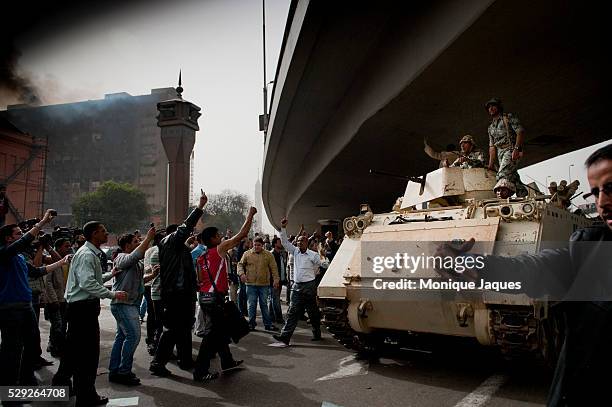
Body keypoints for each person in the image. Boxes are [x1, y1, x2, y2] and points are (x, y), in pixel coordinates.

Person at [435, 143, 612, 406]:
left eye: (610, 188)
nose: (601, 203)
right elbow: (532, 268)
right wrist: (468, 263)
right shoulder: (591, 250)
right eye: (595, 193)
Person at [52, 221, 127, 407]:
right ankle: (86, 396)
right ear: (94, 234)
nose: (106, 233)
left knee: (72, 352)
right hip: (83, 310)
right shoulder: (87, 255)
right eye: (103, 231)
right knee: (87, 356)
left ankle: (60, 387)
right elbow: (87, 284)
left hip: (79, 309)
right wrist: (112, 294)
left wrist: (110, 275)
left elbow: (89, 279)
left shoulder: (88, 253)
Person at [1, 210, 69, 391]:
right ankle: (9, 391)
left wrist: (61, 262)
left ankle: (25, 379)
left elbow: (37, 271)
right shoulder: (4, 254)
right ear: (8, 239)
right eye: (17, 233)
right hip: (9, 309)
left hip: (26, 307)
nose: (22, 236)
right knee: (12, 350)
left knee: (31, 346)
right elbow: (24, 242)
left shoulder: (19, 257)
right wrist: (43, 221)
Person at [193, 206, 257, 382]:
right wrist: (250, 215)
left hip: (204, 297)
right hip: (215, 299)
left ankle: (227, 361)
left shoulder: (201, 258)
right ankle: (200, 372)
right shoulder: (220, 249)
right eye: (218, 235)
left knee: (220, 332)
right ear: (213, 238)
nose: (221, 236)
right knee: (212, 335)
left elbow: (199, 280)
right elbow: (242, 234)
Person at [149, 192, 207, 377]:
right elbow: (185, 227)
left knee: (183, 329)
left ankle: (185, 359)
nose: (188, 234)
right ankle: (158, 363)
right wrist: (199, 208)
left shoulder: (180, 248)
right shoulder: (170, 241)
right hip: (174, 294)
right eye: (184, 233)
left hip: (184, 293)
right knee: (172, 330)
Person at [108, 227, 156, 386]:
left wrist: (153, 275)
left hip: (129, 304)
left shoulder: (135, 262)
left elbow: (140, 280)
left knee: (122, 337)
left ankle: (115, 370)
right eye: (136, 241)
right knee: (133, 337)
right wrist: (148, 238)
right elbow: (135, 256)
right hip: (123, 304)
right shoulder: (121, 257)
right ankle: (124, 371)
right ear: (127, 245)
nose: (140, 243)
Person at [273, 217, 329, 346]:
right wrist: (283, 228)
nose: (298, 243)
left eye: (301, 241)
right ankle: (285, 336)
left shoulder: (313, 255)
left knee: (313, 312)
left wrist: (324, 257)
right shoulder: (295, 251)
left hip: (309, 286)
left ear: (306, 243)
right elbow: (285, 242)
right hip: (296, 287)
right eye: (297, 241)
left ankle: (317, 333)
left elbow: (323, 264)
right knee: (292, 312)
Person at [485, 97, 528, 197]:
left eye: (493, 106)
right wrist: (491, 164)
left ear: (499, 107)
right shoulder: (490, 127)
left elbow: (520, 131)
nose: (491, 108)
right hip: (500, 153)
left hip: (511, 149)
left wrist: (516, 149)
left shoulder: (508, 117)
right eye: (489, 107)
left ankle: (503, 198)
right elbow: (492, 146)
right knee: (512, 176)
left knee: (502, 175)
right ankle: (522, 192)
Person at [237, 236, 279, 331]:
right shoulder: (247, 254)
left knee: (264, 304)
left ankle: (268, 324)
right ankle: (251, 324)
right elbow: (240, 264)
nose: (256, 247)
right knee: (251, 304)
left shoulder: (268, 255)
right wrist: (241, 274)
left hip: (264, 285)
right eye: (255, 245)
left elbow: (274, 268)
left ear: (262, 245)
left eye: (259, 245)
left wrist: (276, 280)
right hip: (250, 284)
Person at [143, 231, 164, 355]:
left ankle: (151, 339)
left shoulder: (149, 250)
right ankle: (155, 341)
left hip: (148, 284)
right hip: (155, 285)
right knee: (158, 316)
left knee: (151, 314)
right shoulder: (159, 251)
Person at [269, 236, 287, 324]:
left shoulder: (279, 253)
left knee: (274, 299)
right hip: (274, 281)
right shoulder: (272, 254)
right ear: (275, 244)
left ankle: (271, 317)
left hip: (279, 280)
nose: (281, 244)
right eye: (279, 242)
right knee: (275, 300)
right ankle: (279, 318)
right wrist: (274, 280)